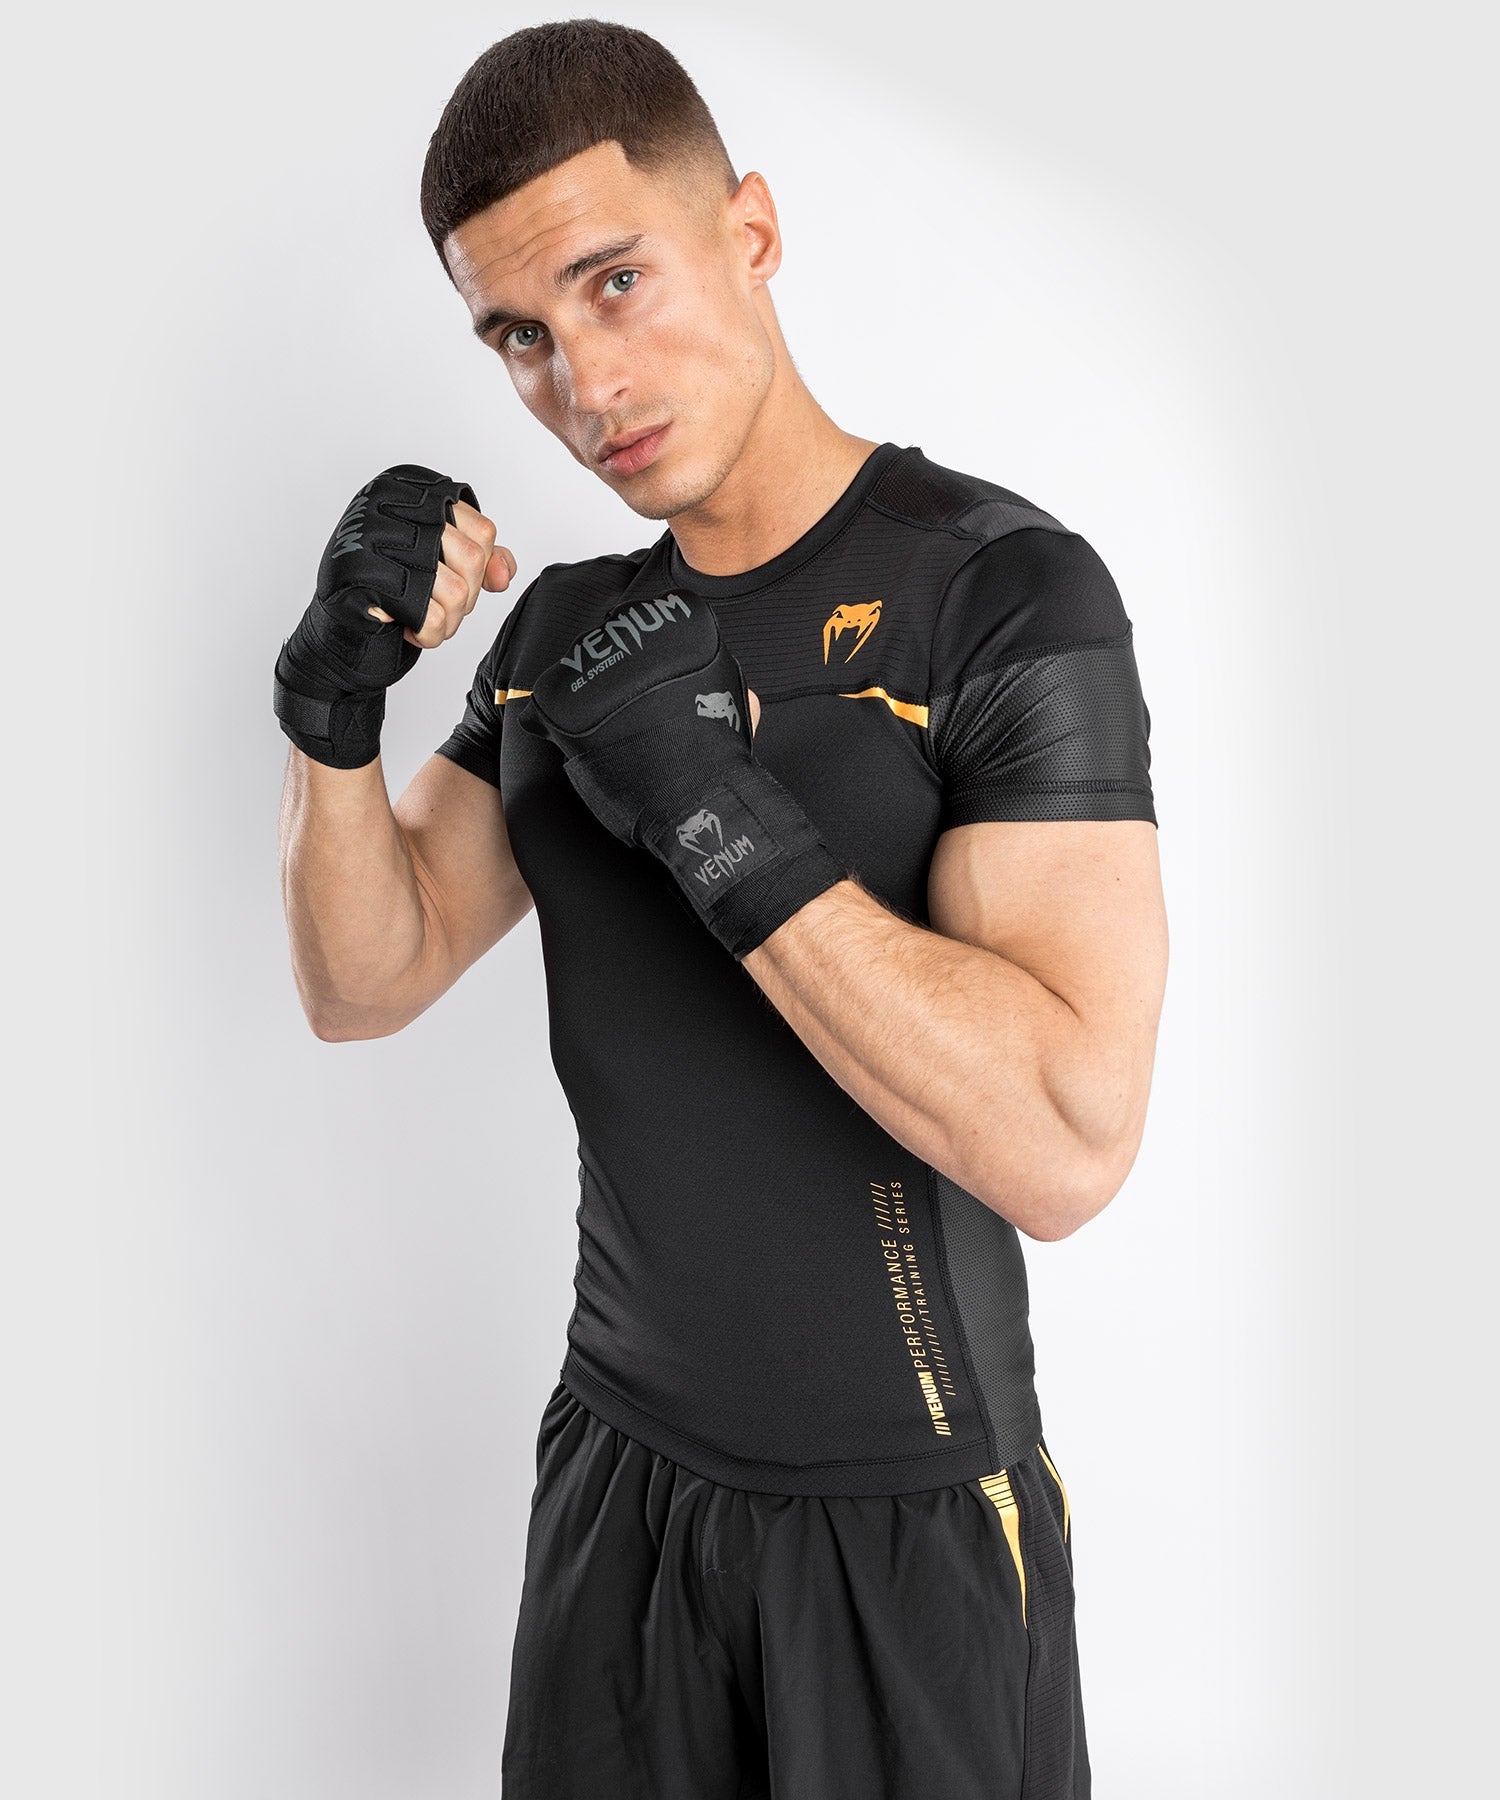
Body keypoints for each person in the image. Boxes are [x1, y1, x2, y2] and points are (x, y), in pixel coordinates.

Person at [274, 19, 1168, 1799]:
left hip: (905, 1523)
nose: (584, 384)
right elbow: (365, 980)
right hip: (615, 1490)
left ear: (750, 231)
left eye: (615, 282)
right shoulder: (567, 636)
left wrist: (704, 797)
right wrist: (328, 719)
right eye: (521, 336)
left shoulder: (1001, 595)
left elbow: (1067, 1148)